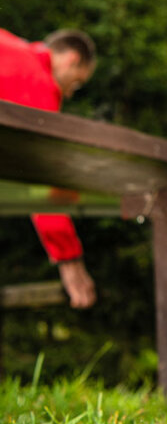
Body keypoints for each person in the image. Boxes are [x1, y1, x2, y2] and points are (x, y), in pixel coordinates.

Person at [0, 28, 97, 309]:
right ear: (71, 59)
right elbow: (42, 180)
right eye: (75, 85)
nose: (67, 94)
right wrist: (70, 260)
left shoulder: (9, 44)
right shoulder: (38, 81)